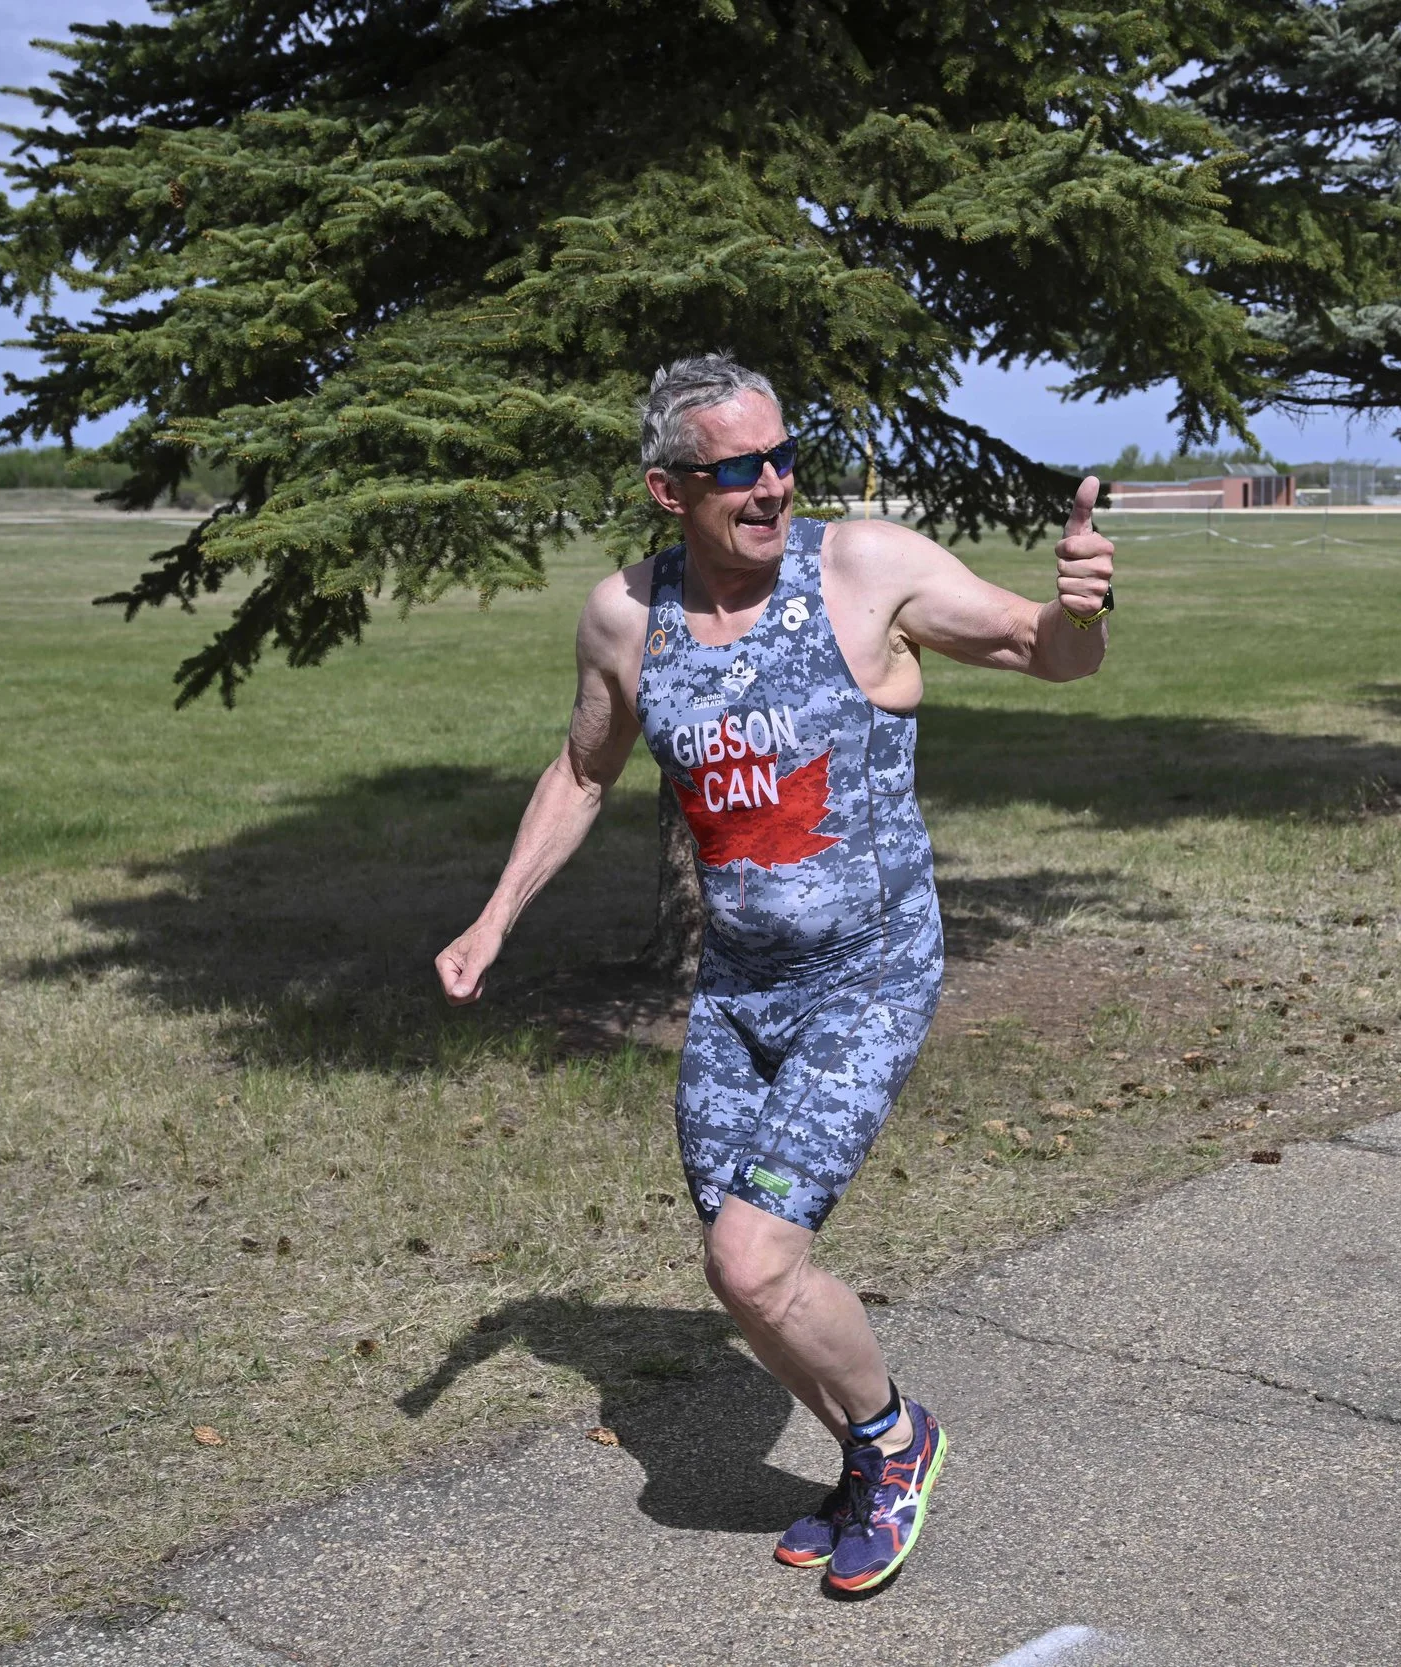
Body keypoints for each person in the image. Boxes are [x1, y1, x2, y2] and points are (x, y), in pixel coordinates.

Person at [433, 353, 1113, 1593]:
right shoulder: (625, 616)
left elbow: (1045, 652)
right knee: (742, 1269)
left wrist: (1078, 608)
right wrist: (497, 918)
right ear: (666, 487)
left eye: (783, 456)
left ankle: (896, 1440)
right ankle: (861, 1453)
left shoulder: (863, 569)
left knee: (752, 1260)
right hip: (739, 993)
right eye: (736, 469)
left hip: (869, 972)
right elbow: (583, 772)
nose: (771, 486)